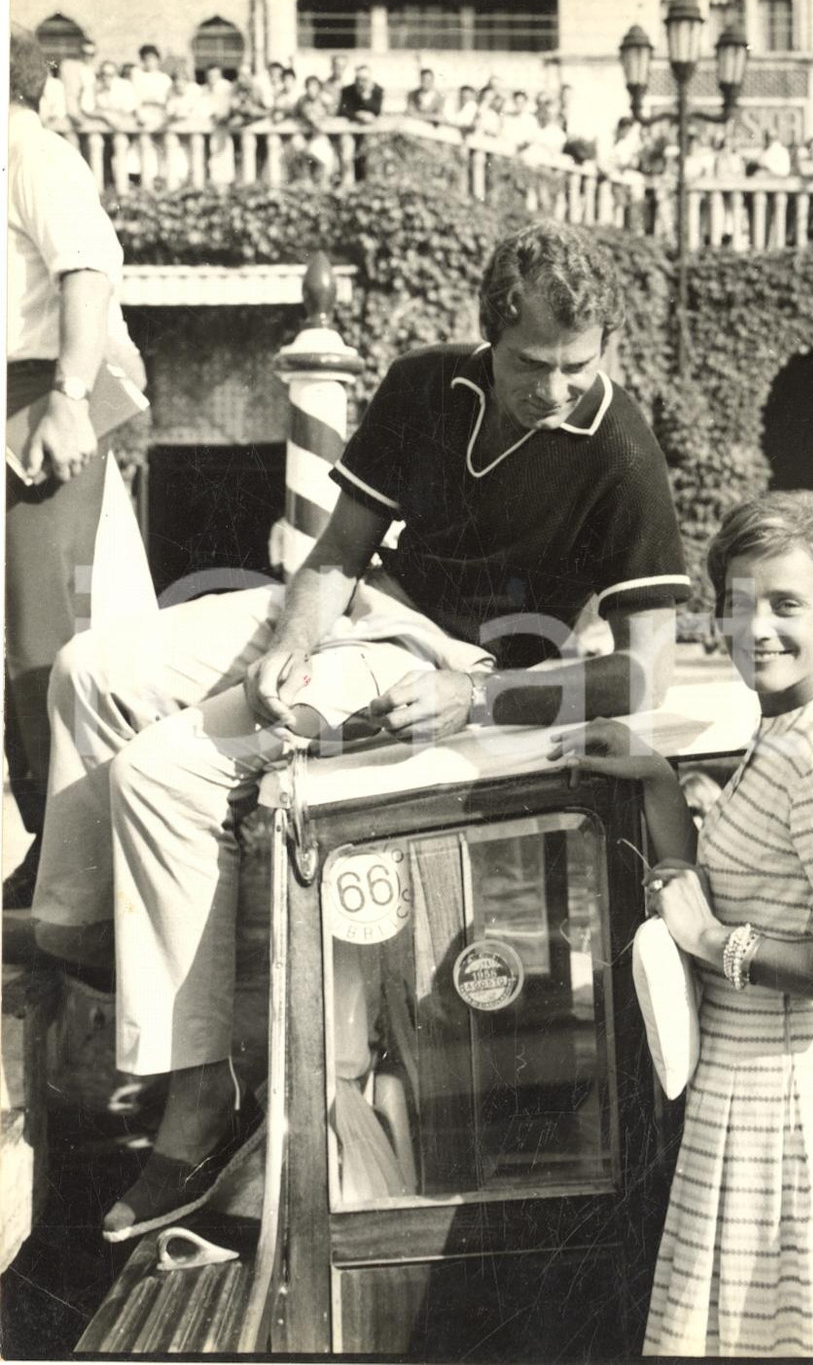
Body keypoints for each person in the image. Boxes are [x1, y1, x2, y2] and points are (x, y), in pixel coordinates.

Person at [30, 221, 690, 1241]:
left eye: (578, 364)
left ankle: (198, 1102)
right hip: (362, 611)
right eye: (532, 365)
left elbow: (642, 672)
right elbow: (337, 557)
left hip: (456, 665)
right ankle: (88, 938)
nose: (556, 388)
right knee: (89, 672)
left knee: (163, 775)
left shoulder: (620, 449)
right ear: (487, 337)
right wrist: (286, 647)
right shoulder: (428, 387)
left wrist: (475, 700)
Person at [552, 491, 813, 1357]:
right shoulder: (786, 730)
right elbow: (750, 886)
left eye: (785, 603)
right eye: (736, 602)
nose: (754, 627)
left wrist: (707, 944)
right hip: (759, 1101)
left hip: (800, 1117)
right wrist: (658, 780)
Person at [5, 28, 145, 913]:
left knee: (45, 636)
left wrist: (66, 395)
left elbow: (86, 272)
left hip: (39, 390)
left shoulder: (32, 152)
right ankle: (49, 847)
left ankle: (70, 855)